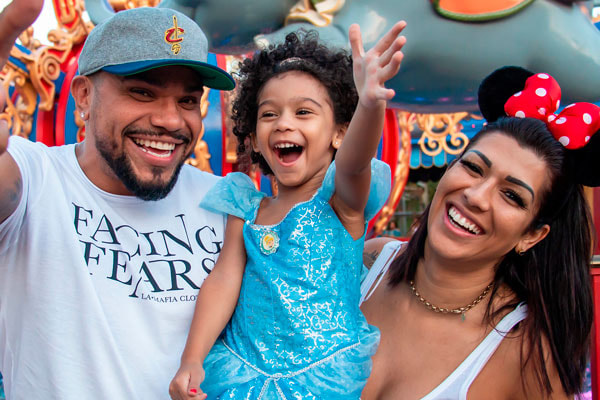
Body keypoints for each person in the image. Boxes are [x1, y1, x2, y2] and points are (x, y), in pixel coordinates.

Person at [0, 2, 236, 399]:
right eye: (142, 92)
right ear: (84, 96)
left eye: (187, 101)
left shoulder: (224, 203)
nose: (171, 121)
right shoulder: (34, 177)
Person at [168, 23, 407, 400]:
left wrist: (369, 103)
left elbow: (355, 164)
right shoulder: (245, 206)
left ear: (339, 133)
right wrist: (192, 358)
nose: (284, 123)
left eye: (303, 112)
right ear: (255, 139)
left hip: (323, 375)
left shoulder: (341, 201)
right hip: (240, 372)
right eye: (269, 114)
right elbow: (224, 279)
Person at [359, 67, 597, 399]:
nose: (476, 196)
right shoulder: (368, 263)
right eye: (473, 168)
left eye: (512, 196)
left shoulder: (525, 352)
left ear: (532, 235)